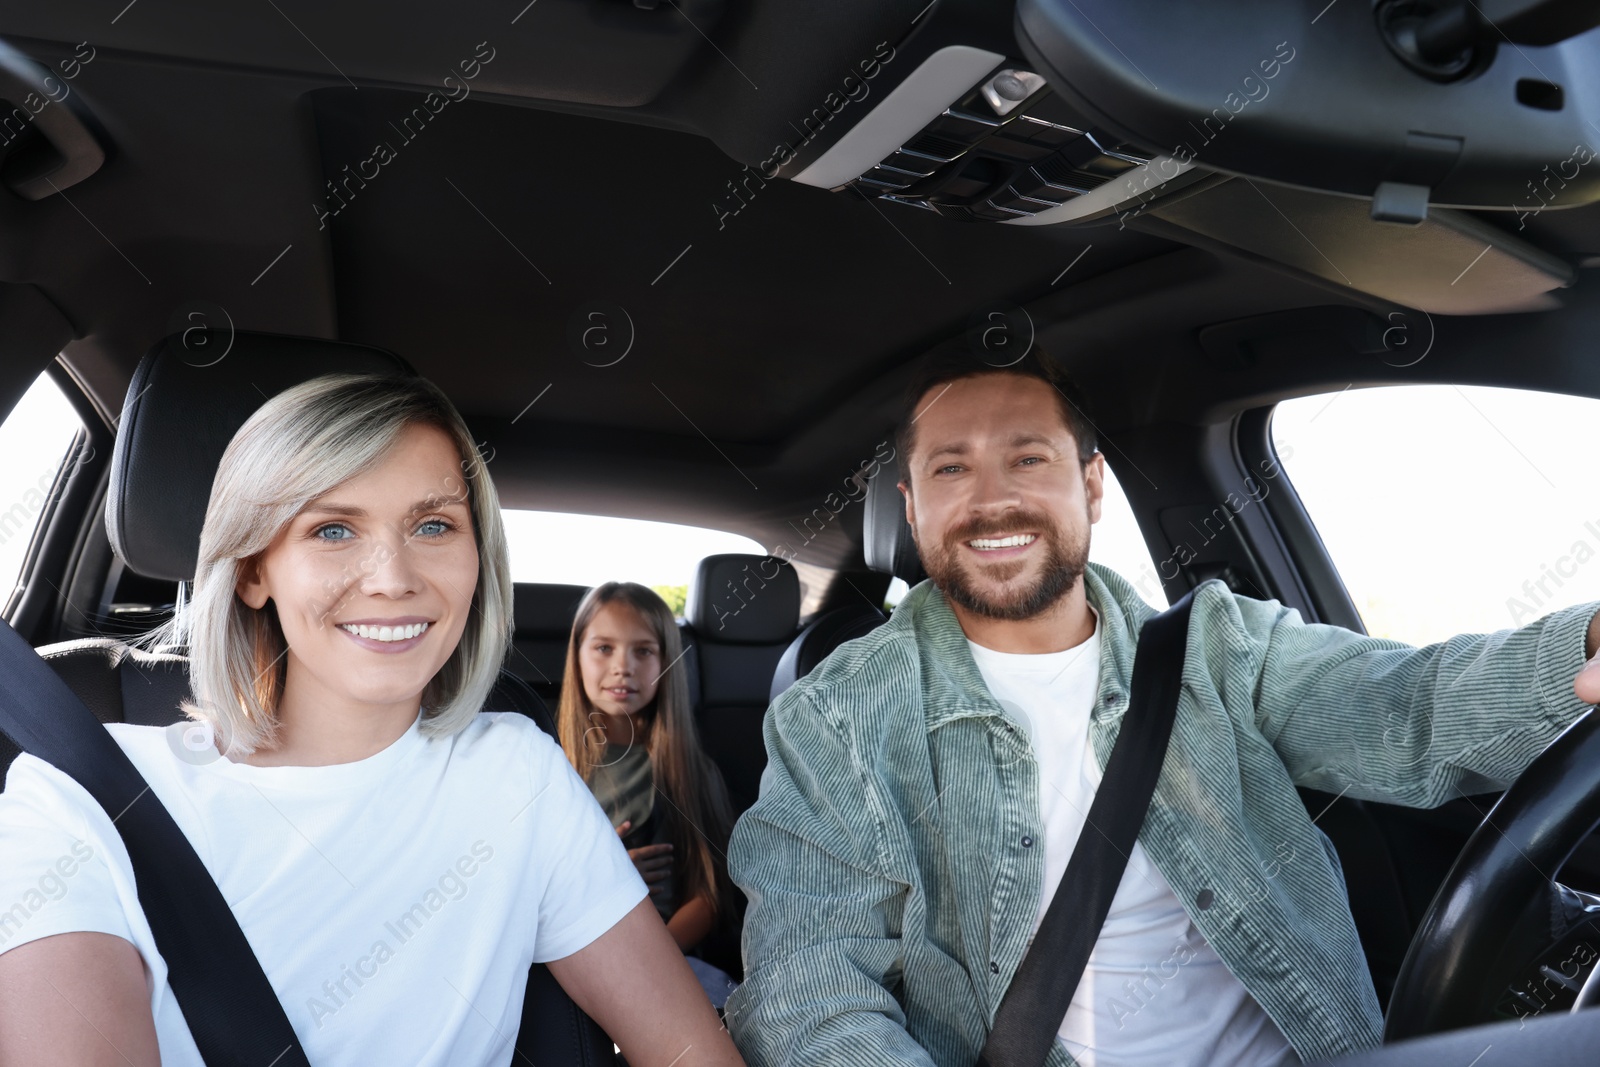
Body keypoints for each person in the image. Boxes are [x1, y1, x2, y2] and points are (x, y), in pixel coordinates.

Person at [722, 348, 1600, 1067]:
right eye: (952, 468)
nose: (993, 499)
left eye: (1028, 457)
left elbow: (1405, 707)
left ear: (1091, 486)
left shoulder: (1215, 646)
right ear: (913, 509)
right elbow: (812, 1001)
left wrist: (1586, 648)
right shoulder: (835, 721)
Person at [0, 372, 745, 1067]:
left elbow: (687, 1048)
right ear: (255, 568)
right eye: (333, 530)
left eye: (432, 526)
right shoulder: (79, 798)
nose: (393, 578)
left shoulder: (519, 774)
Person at [557, 582, 741, 1009]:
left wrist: (652, 959)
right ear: (577, 654)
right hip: (567, 959)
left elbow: (708, 895)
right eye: (604, 648)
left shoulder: (687, 769)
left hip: (666, 959)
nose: (624, 667)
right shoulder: (549, 764)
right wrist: (609, 877)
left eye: (643, 651)